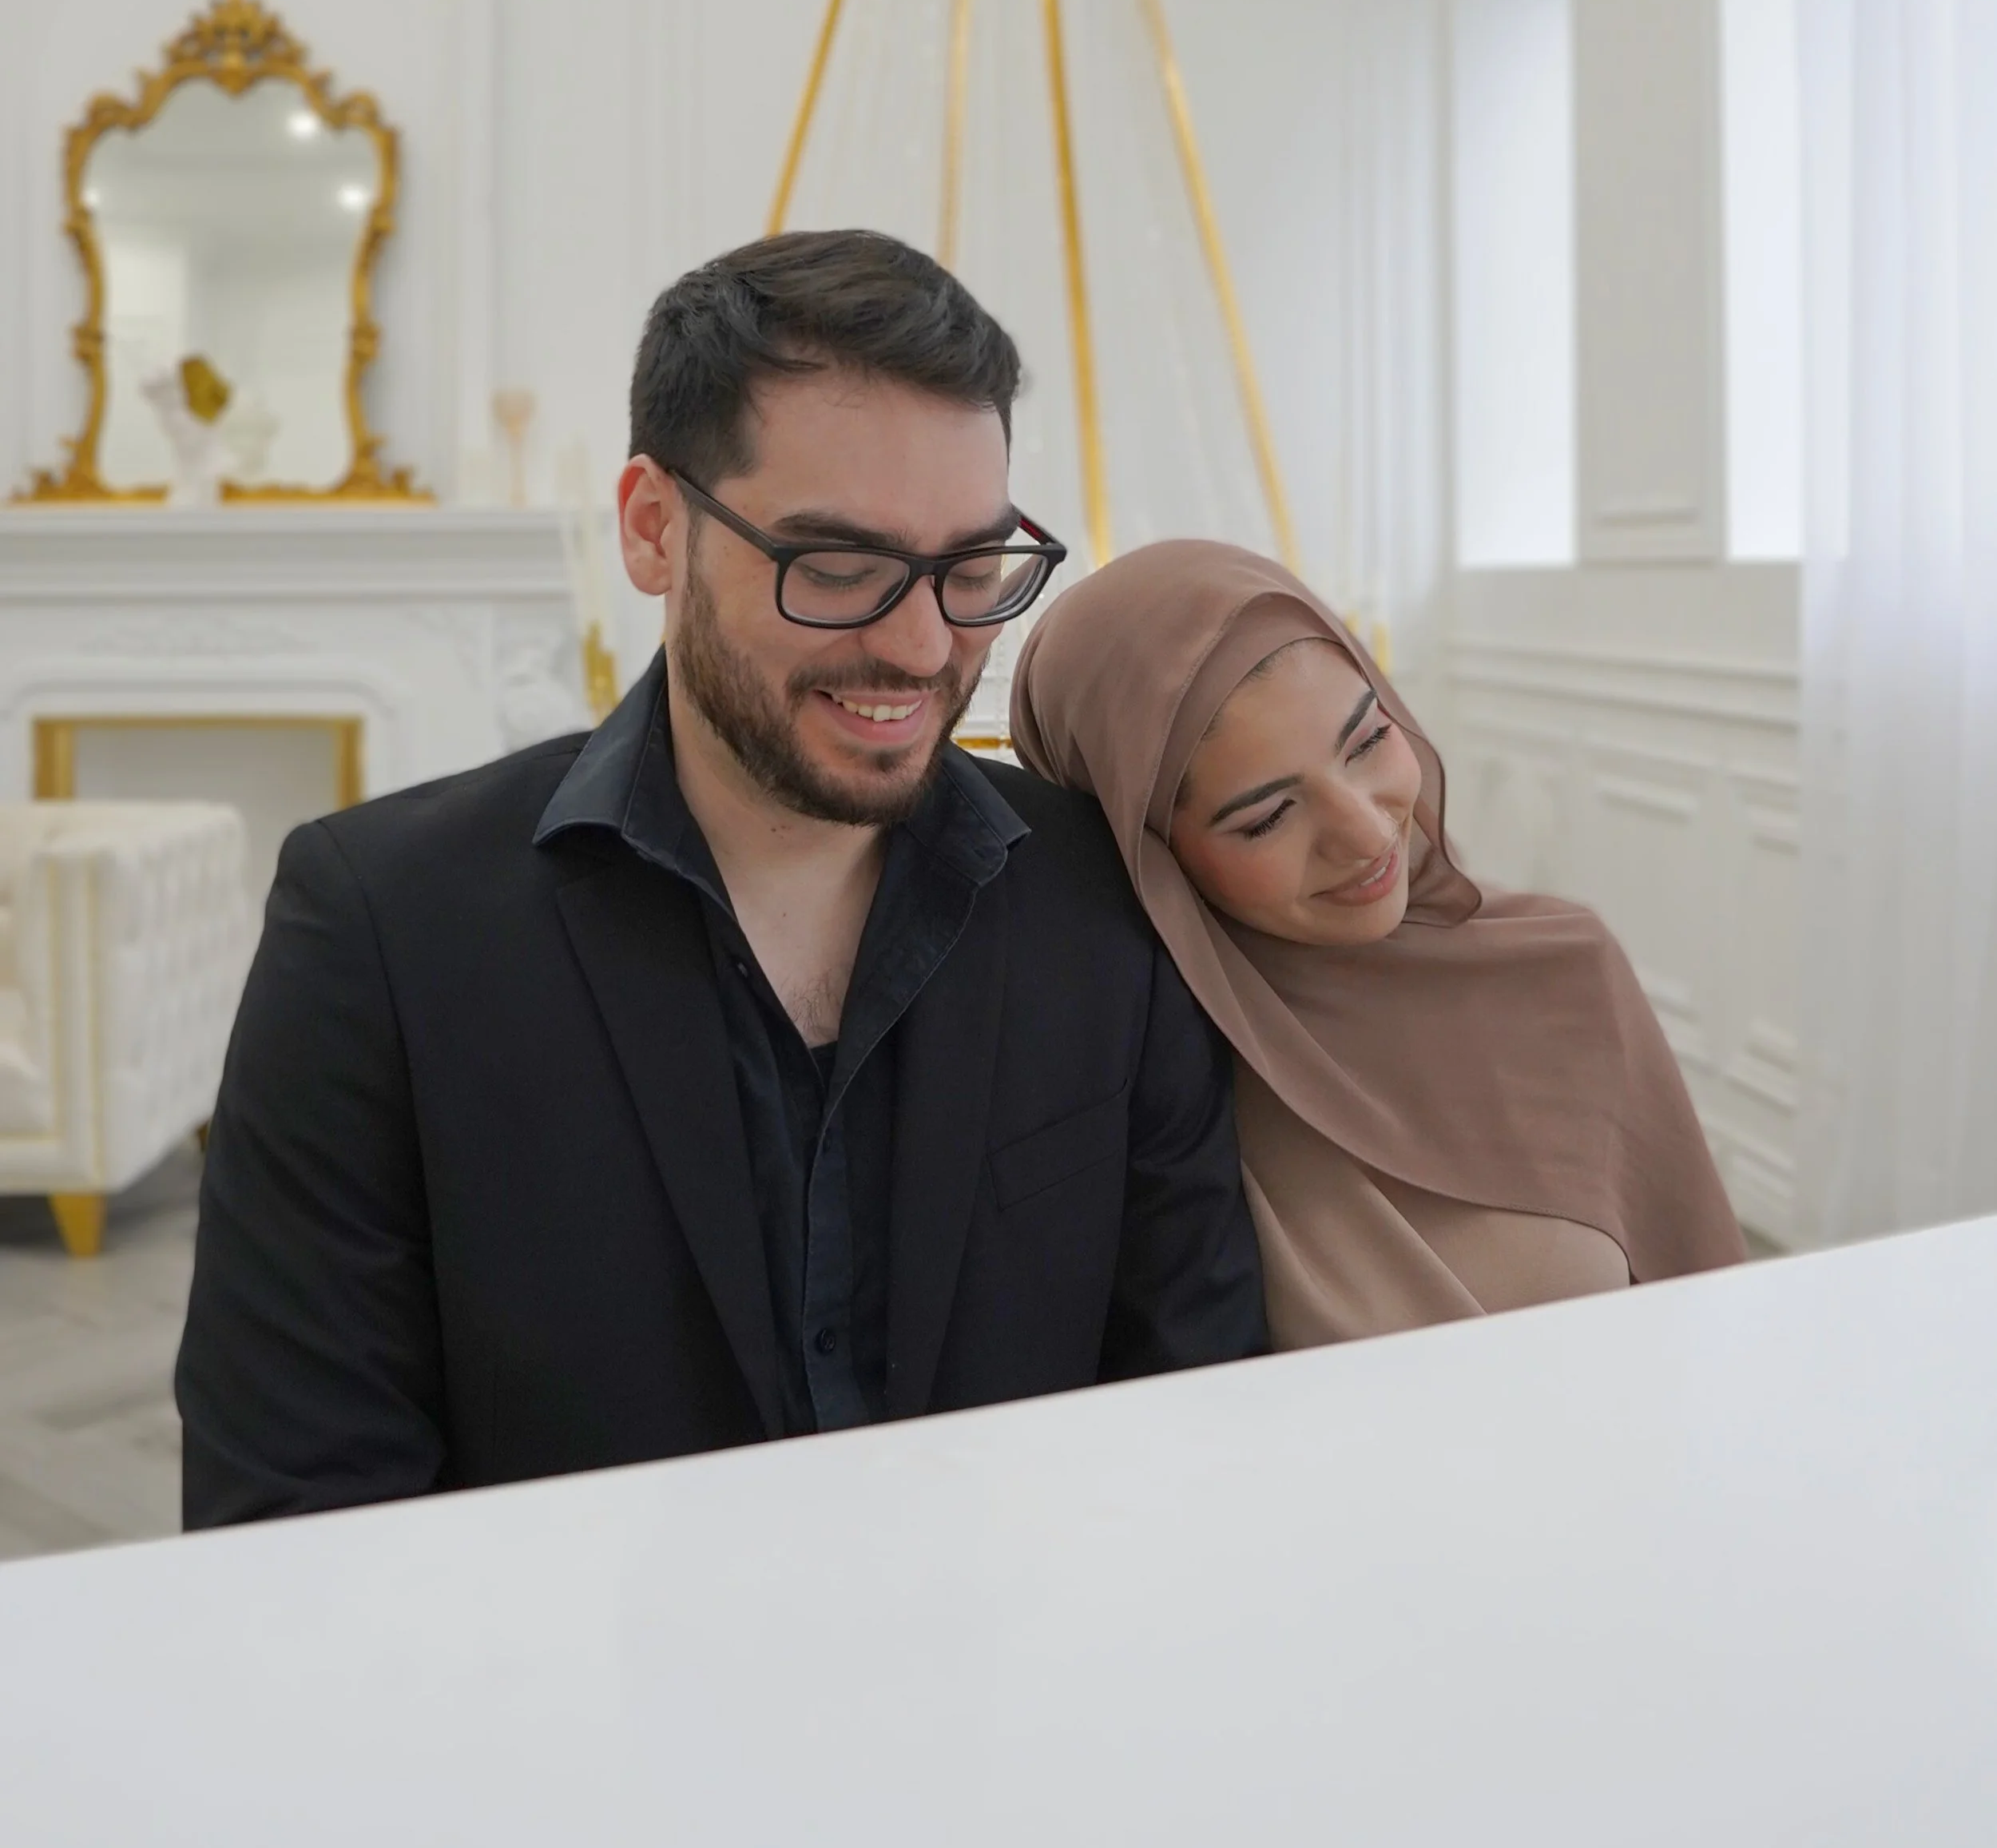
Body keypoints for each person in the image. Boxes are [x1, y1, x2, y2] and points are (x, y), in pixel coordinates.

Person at [176, 236, 1265, 1524]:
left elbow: (1197, 1420)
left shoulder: (1106, 898)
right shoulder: (381, 930)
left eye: (972, 572)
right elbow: (295, 1520)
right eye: (839, 567)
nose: (921, 646)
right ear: (654, 530)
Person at [1010, 542, 1745, 1344]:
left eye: (1366, 741)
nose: (1364, 834)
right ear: (1142, 847)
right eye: (1266, 817)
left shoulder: (1562, 969)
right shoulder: (1137, 1082)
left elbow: (1704, 1320)